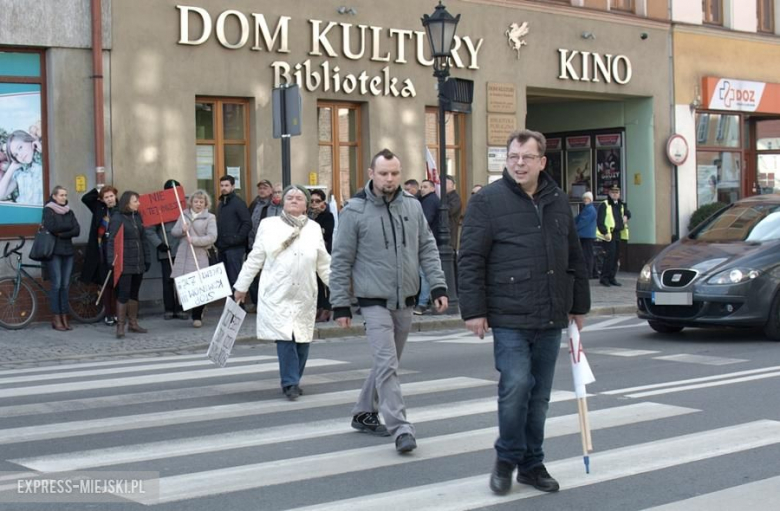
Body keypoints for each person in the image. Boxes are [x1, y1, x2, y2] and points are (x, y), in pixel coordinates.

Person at [458, 129, 590, 495]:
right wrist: (474, 310)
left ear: (541, 162)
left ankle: (532, 464)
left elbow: (574, 255)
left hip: (551, 313)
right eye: (513, 157)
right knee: (516, 386)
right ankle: (506, 459)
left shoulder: (558, 200)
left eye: (526, 158)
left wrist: (579, 304)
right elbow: (470, 258)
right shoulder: (488, 201)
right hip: (509, 313)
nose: (518, 163)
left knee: (540, 395)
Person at [330, 148, 448, 454]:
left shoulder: (412, 206)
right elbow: (341, 261)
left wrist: (437, 286)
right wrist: (340, 303)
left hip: (405, 298)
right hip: (373, 300)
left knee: (387, 364)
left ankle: (363, 411)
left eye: (394, 173)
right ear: (371, 174)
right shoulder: (354, 211)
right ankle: (401, 428)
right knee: (387, 364)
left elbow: (427, 248)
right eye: (383, 173)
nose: (390, 178)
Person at [233, 185, 331, 400]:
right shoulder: (269, 225)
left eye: (299, 198)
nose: (294, 200)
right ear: (283, 203)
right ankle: (290, 383)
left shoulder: (313, 228)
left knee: (303, 339)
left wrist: (338, 289)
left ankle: (294, 377)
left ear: (306, 204)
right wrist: (241, 287)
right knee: (285, 337)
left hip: (304, 292)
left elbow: (323, 262)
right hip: (277, 292)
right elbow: (256, 257)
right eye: (289, 197)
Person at [108, 191, 152, 339]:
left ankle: (133, 323)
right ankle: (120, 326)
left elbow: (143, 239)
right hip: (124, 262)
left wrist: (147, 258)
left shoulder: (137, 216)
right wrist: (111, 260)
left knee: (134, 293)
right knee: (124, 293)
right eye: (135, 201)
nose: (138, 203)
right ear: (127, 202)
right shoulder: (117, 218)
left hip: (138, 261)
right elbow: (111, 241)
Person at [171, 189, 218, 328]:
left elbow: (212, 237)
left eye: (201, 202)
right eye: (196, 201)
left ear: (205, 204)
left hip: (199, 255)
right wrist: (182, 230)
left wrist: (195, 240)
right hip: (184, 255)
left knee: (199, 285)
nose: (198, 204)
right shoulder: (183, 214)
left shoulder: (210, 217)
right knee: (184, 285)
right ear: (191, 202)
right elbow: (174, 232)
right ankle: (189, 309)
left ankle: (197, 316)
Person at [145, 179, 186, 320]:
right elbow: (149, 230)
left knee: (183, 281)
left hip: (183, 249)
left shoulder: (184, 206)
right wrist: (159, 244)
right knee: (168, 281)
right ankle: (169, 309)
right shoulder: (159, 208)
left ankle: (182, 308)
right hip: (167, 250)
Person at [42, 186, 81, 331]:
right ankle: (56, 317)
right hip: (54, 252)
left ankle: (65, 317)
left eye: (65, 195)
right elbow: (51, 227)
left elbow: (77, 230)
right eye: (61, 195)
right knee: (57, 285)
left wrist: (61, 233)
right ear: (54, 196)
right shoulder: (48, 210)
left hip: (68, 251)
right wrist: (66, 229)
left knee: (65, 285)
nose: (64, 197)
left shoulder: (69, 211)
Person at [81, 185, 119, 325]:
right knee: (106, 284)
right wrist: (98, 190)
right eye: (106, 197)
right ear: (102, 200)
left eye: (111, 196)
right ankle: (108, 314)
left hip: (117, 250)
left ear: (115, 196)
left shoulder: (120, 209)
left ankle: (117, 313)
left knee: (117, 284)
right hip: (102, 251)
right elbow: (85, 199)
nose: (110, 199)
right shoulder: (99, 208)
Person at [215, 175, 251, 288]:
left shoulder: (238, 203)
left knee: (235, 281)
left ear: (233, 186)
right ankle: (230, 305)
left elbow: (247, 223)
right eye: (221, 185)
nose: (224, 188)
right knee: (225, 282)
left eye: (226, 185)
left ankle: (239, 305)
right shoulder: (221, 204)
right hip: (222, 248)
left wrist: (237, 239)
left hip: (235, 249)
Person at [248, 179, 275, 309]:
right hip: (253, 244)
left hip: (270, 245)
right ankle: (256, 303)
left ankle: (267, 303)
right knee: (253, 275)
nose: (262, 190)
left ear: (271, 190)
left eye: (265, 187)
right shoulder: (254, 204)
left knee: (268, 275)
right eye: (260, 188)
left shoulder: (275, 205)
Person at [414, 179, 440, 315]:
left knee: (424, 273)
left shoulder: (430, 201)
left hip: (427, 241)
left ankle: (422, 303)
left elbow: (426, 220)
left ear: (432, 188)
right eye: (421, 187)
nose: (422, 189)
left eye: (425, 187)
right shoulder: (425, 200)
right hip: (427, 240)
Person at [309, 188, 335, 322]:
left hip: (323, 251)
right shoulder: (308, 216)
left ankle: (327, 309)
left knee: (325, 282)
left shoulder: (327, 216)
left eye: (317, 201)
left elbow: (327, 232)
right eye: (312, 201)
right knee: (316, 283)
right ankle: (318, 307)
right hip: (311, 252)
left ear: (323, 203)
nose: (314, 203)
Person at [597, 184, 631, 287]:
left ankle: (612, 277)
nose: (615, 194)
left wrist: (626, 216)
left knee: (616, 257)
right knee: (609, 257)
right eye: (613, 192)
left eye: (617, 193)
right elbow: (600, 221)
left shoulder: (621, 205)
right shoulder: (605, 204)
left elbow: (628, 212)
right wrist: (604, 232)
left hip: (618, 234)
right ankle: (604, 278)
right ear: (609, 193)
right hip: (608, 234)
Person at [0, 129, 43, 205]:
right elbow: (1, 194)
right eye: (15, 154)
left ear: (29, 140)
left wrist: (42, 150)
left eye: (20, 147)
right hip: (25, 213)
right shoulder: (20, 173)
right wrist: (12, 167)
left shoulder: (43, 164)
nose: (20, 155)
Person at [576, 191, 597, 281]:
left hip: (586, 235)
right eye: (584, 198)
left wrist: (574, 228)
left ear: (590, 199)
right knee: (589, 253)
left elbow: (583, 221)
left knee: (587, 254)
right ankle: (594, 272)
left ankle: (589, 273)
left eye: (587, 198)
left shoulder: (589, 209)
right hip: (586, 234)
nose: (585, 200)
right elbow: (578, 218)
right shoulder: (587, 208)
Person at [445, 175, 462, 250]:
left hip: (450, 232)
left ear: (452, 184)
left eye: (445, 183)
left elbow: (450, 211)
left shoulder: (455, 198)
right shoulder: (444, 197)